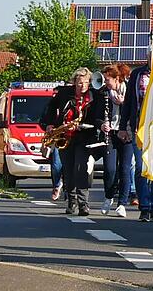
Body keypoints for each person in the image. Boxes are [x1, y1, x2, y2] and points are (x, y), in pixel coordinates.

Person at [41, 67, 104, 216]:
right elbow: (50, 107)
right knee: (68, 170)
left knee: (81, 169)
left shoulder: (95, 95)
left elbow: (98, 115)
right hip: (65, 136)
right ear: (74, 82)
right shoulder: (64, 93)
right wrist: (50, 124)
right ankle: (71, 200)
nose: (82, 86)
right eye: (79, 83)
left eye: (85, 83)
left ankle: (83, 204)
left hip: (84, 137)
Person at [118, 58, 153, 222]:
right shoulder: (138, 74)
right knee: (141, 167)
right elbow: (129, 102)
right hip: (139, 128)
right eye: (151, 55)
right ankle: (144, 206)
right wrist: (123, 127)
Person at [98, 64, 132, 217]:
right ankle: (108, 196)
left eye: (107, 79)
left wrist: (124, 103)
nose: (105, 82)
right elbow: (96, 114)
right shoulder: (104, 93)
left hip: (127, 133)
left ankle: (122, 204)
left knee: (125, 169)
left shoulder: (129, 91)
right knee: (110, 169)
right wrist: (102, 123)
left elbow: (136, 109)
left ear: (117, 78)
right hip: (110, 133)